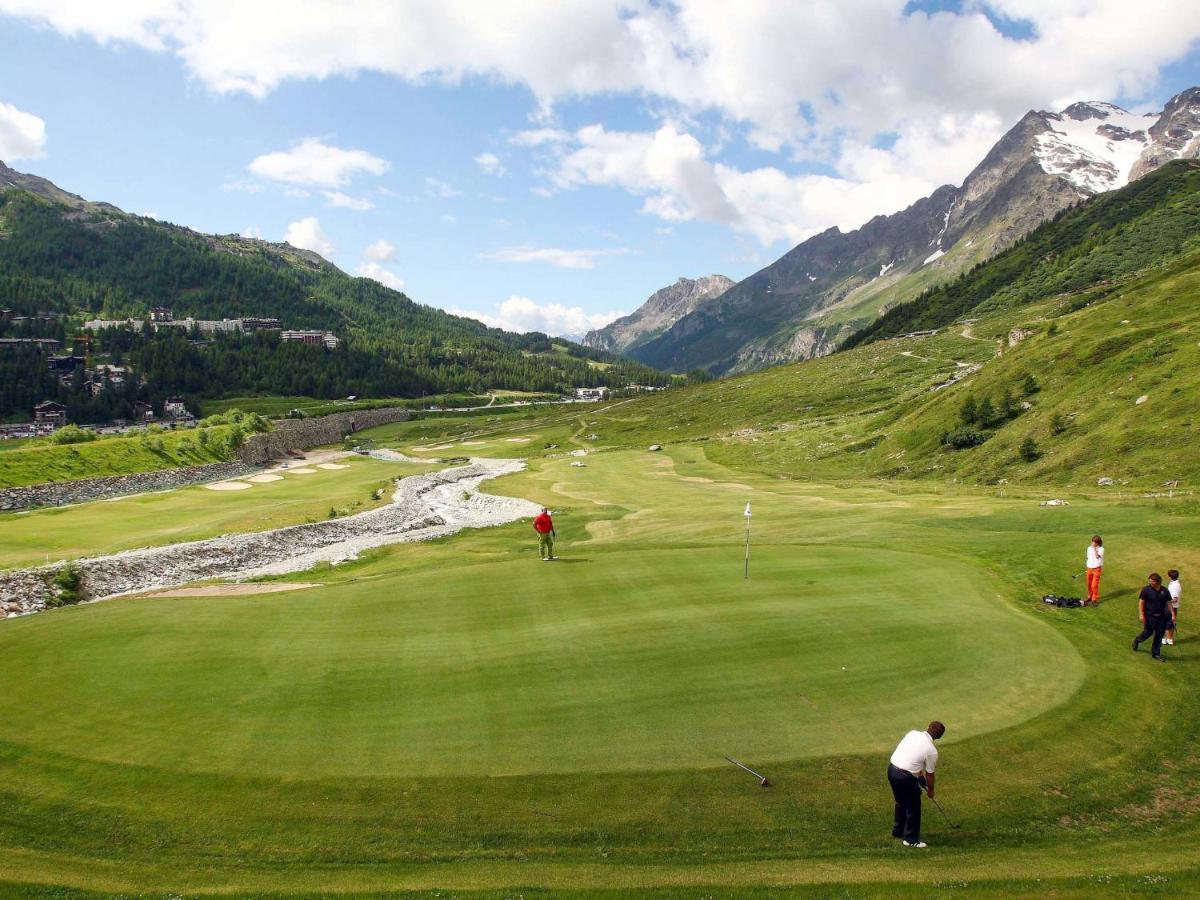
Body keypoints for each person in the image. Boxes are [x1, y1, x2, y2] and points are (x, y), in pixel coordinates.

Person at [887, 721, 945, 848]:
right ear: (939, 737)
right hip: (904, 777)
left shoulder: (912, 733)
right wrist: (931, 791)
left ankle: (898, 831)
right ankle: (910, 839)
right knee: (913, 805)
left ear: (928, 727)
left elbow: (912, 757)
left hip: (891, 769)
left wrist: (919, 777)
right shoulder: (931, 751)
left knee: (901, 801)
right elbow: (930, 774)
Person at [1132, 572, 1174, 662]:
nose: (1150, 583)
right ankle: (1137, 640)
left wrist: (1173, 615)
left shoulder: (1165, 591)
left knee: (1159, 636)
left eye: (1152, 581)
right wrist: (1141, 614)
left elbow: (1169, 603)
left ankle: (1156, 654)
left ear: (1158, 582)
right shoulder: (1146, 590)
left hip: (1162, 617)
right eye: (1150, 581)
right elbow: (1141, 602)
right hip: (1150, 616)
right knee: (1148, 632)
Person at [1084, 535, 1104, 605]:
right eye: (1092, 541)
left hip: (1097, 569)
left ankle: (1094, 599)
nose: (1093, 543)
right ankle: (1089, 596)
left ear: (1098, 543)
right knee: (1089, 584)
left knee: (1094, 585)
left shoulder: (1101, 549)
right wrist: (1088, 566)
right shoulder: (1089, 548)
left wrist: (1095, 548)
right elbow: (1088, 557)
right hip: (1089, 568)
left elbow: (1097, 556)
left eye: (1095, 542)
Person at [1165, 569, 1182, 646]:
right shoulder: (1173, 583)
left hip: (1172, 607)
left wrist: (1166, 601)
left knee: (1170, 623)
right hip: (1170, 607)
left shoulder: (1175, 586)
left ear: (1170, 576)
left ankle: (1170, 639)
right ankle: (1167, 639)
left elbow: (1175, 599)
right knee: (1167, 623)